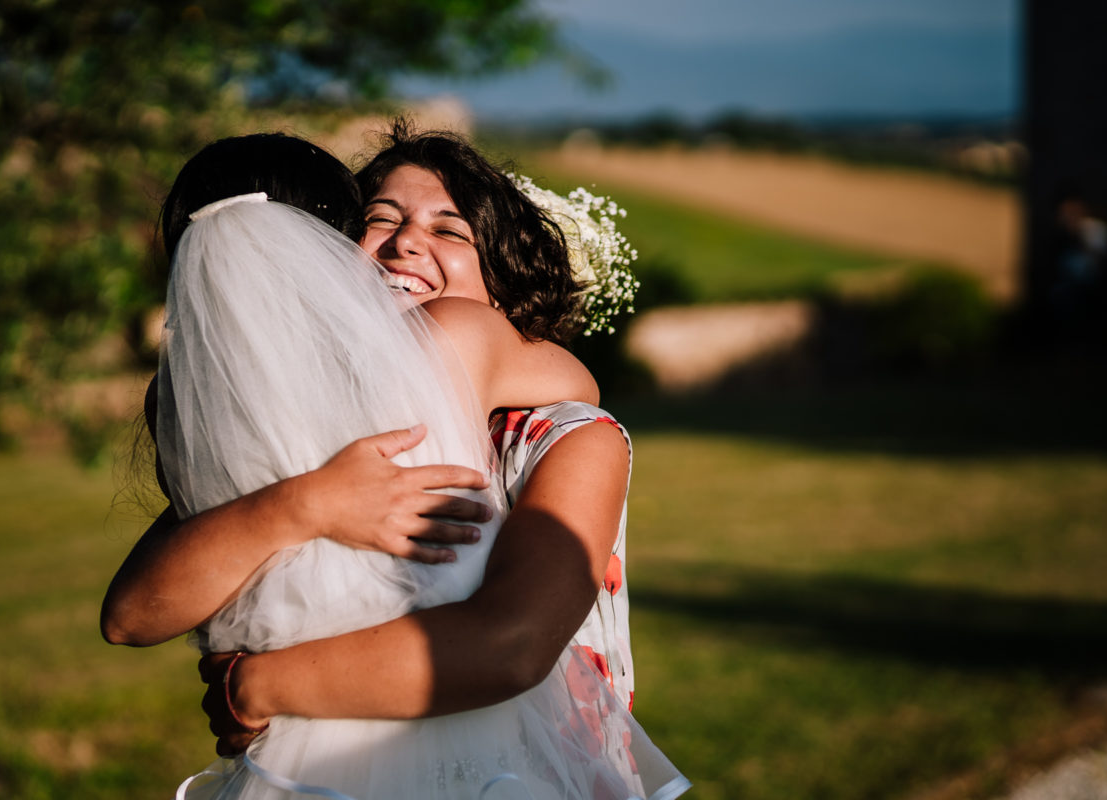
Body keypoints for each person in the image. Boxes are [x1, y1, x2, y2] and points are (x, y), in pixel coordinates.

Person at [105, 131, 687, 799]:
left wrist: (256, 683)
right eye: (379, 218)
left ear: (502, 285)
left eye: (451, 230)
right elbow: (130, 612)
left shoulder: (564, 440)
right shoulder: (288, 431)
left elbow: (514, 645)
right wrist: (308, 502)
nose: (407, 242)